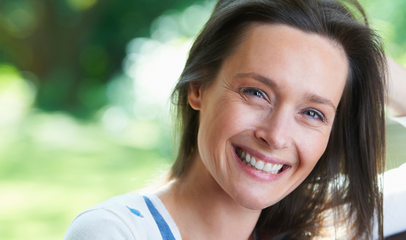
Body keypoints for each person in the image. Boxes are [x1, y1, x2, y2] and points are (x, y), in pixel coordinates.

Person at [64, 0, 395, 239]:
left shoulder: (331, 225)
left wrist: (360, 59)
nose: (276, 135)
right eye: (256, 92)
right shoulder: (116, 231)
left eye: (312, 112)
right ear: (198, 88)